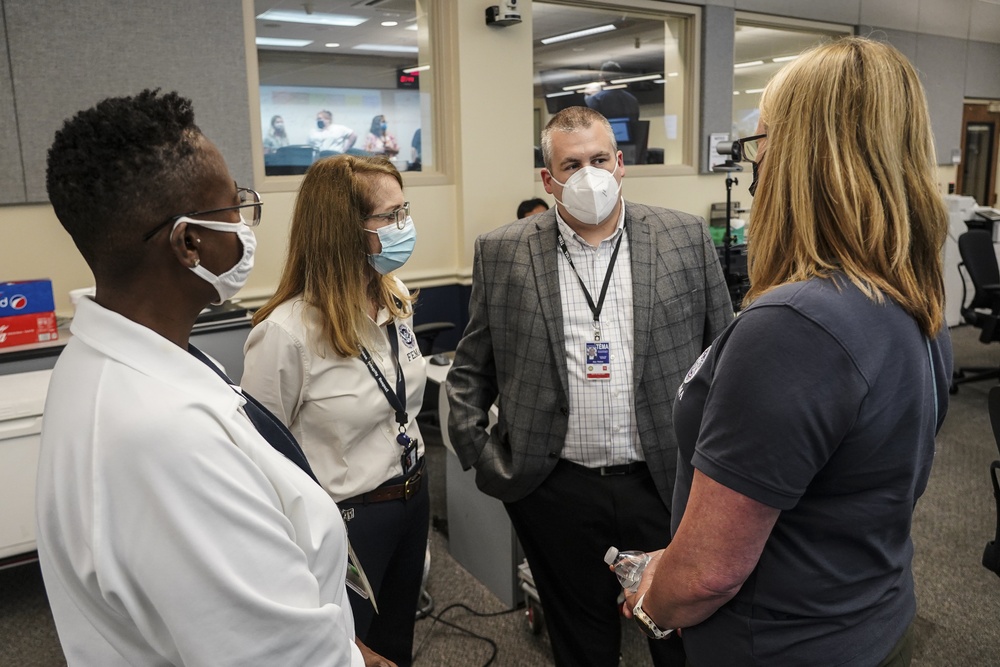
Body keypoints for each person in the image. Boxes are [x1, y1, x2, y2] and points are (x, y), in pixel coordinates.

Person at [622, 37, 953, 667]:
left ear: (800, 159)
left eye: (760, 143)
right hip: (872, 618)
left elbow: (707, 578)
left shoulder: (795, 326)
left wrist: (649, 600)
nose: (754, 166)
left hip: (779, 645)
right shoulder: (911, 296)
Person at [36, 90, 391, 667]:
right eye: (235, 209)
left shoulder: (129, 359)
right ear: (189, 242)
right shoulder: (163, 436)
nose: (246, 226)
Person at [446, 106, 732, 667]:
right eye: (570, 164)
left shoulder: (684, 237)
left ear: (621, 163)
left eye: (599, 159)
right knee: (581, 644)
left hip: (665, 483)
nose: (589, 174)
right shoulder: (502, 251)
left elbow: (725, 357)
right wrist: (484, 456)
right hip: (555, 489)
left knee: (682, 641)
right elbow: (471, 370)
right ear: (547, 179)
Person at [242, 155, 427, 667]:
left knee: (395, 648)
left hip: (411, 498)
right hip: (348, 521)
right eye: (389, 217)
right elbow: (258, 467)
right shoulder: (285, 334)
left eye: (403, 210)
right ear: (344, 232)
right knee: (344, 653)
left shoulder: (394, 299)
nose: (404, 226)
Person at [585, 61, 640, 125]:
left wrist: (587, 97)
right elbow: (635, 121)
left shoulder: (596, 99)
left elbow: (594, 123)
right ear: (620, 76)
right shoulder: (632, 98)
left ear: (602, 77)